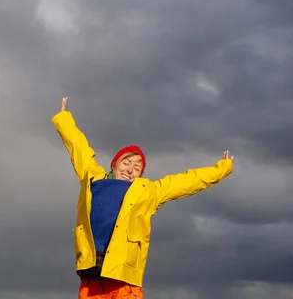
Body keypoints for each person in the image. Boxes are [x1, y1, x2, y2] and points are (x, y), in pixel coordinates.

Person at [51, 97, 233, 299]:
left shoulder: (148, 190)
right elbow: (78, 148)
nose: (130, 170)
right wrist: (63, 118)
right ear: (114, 165)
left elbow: (187, 181)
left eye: (137, 168)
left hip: (124, 278)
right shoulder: (93, 177)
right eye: (126, 163)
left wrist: (221, 169)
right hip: (91, 276)